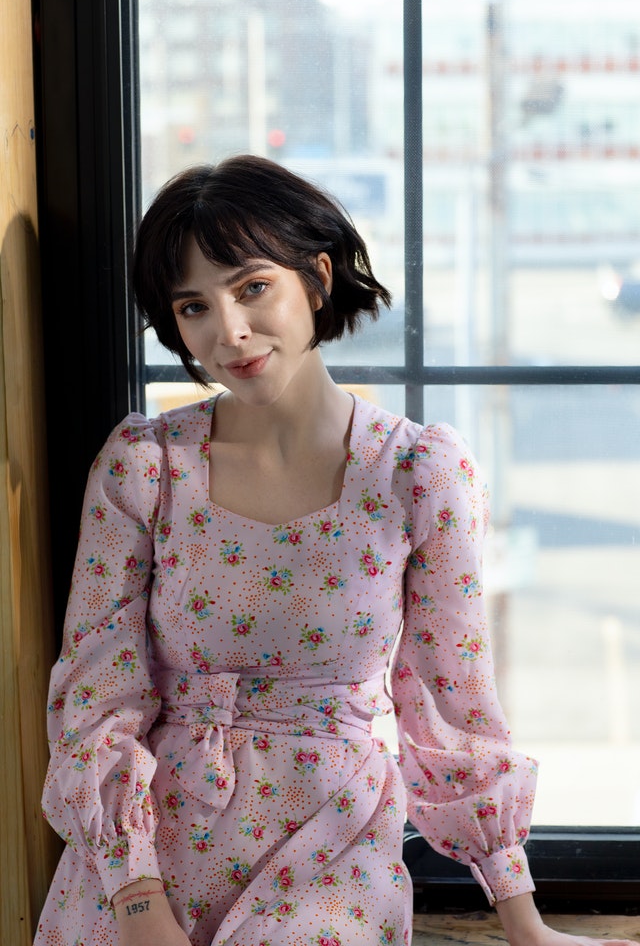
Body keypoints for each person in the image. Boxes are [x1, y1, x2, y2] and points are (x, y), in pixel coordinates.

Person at [33, 154, 638, 946]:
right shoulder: (145, 468)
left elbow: (451, 704)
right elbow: (97, 697)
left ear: (316, 277)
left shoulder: (419, 474)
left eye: (252, 287)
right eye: (193, 307)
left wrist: (525, 923)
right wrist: (139, 905)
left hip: (332, 846)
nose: (230, 332)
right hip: (142, 857)